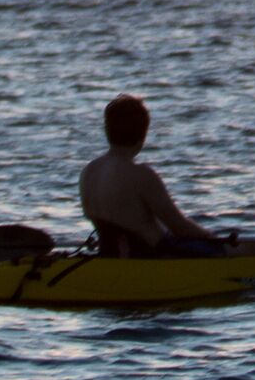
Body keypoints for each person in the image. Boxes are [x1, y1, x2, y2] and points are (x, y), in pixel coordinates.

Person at [80, 93, 232, 257]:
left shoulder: (89, 171)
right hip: (153, 257)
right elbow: (179, 227)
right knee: (253, 248)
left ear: (107, 130)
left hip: (110, 255)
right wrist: (212, 238)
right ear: (143, 134)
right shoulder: (141, 175)